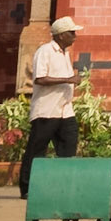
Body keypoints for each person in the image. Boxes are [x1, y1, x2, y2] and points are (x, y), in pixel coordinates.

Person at [20, 17, 80, 199]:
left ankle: (62, 185)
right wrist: (68, 80)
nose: (75, 36)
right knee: (37, 149)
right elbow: (40, 79)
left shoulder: (65, 53)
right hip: (46, 110)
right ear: (61, 35)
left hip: (64, 110)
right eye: (72, 33)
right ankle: (27, 187)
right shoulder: (45, 51)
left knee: (68, 147)